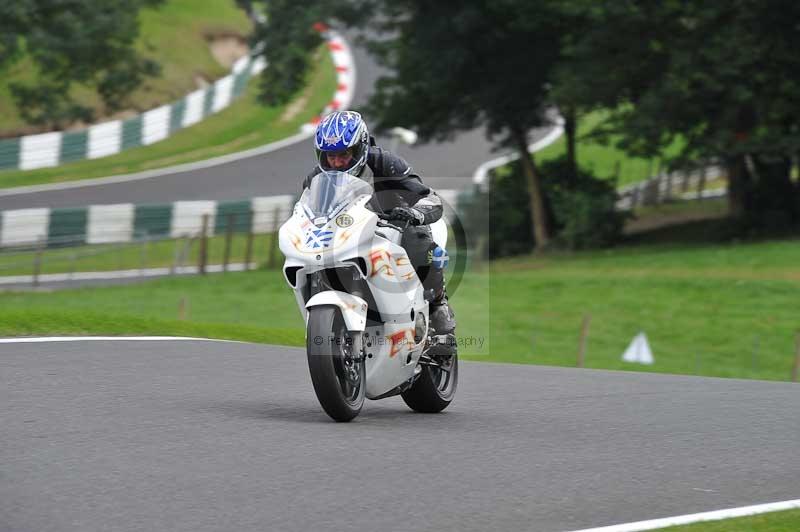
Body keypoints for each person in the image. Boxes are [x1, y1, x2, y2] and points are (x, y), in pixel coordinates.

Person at [302, 111, 456, 354]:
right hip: (346, 236)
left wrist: (414, 213)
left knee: (419, 242)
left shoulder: (385, 162)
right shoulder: (315, 178)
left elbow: (429, 198)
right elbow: (305, 212)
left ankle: (438, 306)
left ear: (360, 148)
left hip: (393, 227)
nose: (337, 162)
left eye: (344, 154)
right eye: (330, 156)